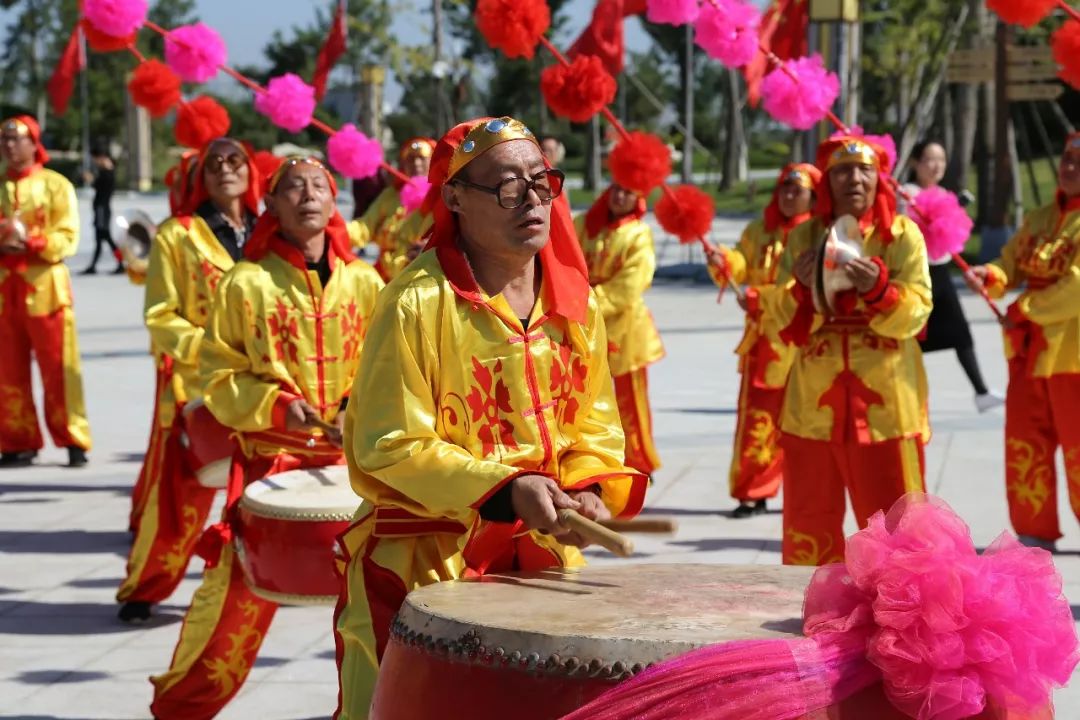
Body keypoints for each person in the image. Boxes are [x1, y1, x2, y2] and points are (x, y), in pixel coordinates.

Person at [333, 116, 647, 718]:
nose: (531, 200)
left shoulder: (576, 305)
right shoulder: (416, 301)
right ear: (454, 198)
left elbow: (596, 424)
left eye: (541, 183)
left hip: (540, 560)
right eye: (507, 187)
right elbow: (389, 444)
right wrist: (504, 490)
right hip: (424, 570)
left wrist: (584, 488)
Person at [149, 156, 384, 719]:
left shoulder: (366, 282)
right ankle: (181, 708)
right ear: (272, 205)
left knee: (373, 609)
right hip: (272, 459)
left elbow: (388, 366)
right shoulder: (245, 282)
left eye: (319, 186)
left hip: (352, 466)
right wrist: (278, 405)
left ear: (336, 203)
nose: (307, 195)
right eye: (292, 187)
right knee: (232, 600)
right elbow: (220, 375)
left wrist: (360, 403)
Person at [765, 135, 932, 566]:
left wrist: (879, 290)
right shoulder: (803, 235)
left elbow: (917, 313)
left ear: (881, 178)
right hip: (812, 406)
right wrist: (800, 287)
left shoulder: (902, 235)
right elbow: (777, 319)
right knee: (808, 518)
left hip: (886, 405)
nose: (854, 179)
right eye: (841, 170)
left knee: (896, 524)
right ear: (827, 181)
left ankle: (900, 616)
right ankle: (812, 610)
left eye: (865, 170)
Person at [117, 138, 263, 624]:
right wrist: (210, 350)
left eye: (234, 161)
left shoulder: (269, 231)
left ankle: (271, 572)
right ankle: (147, 584)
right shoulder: (177, 236)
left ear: (250, 172)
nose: (225, 170)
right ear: (201, 175)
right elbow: (161, 314)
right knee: (180, 492)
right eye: (214, 163)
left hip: (260, 383)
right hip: (196, 383)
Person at [968, 132, 1080, 552]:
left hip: (1072, 353)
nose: (1069, 168)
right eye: (1066, 159)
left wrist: (1025, 308)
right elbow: (1010, 262)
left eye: (1078, 162)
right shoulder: (1037, 219)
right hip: (1028, 353)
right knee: (1025, 440)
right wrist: (991, 277)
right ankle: (1034, 529)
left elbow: (1075, 285)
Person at [707, 164, 819, 517]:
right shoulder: (760, 229)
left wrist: (759, 298)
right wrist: (724, 260)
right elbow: (740, 260)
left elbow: (798, 292)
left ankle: (805, 492)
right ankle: (752, 492)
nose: (787, 195)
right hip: (763, 346)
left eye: (796, 190)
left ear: (812, 197)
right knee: (756, 421)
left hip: (804, 344)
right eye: (783, 188)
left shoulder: (816, 236)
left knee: (804, 424)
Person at [0, 115, 91, 468]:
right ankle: (16, 440)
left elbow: (67, 238)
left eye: (16, 139)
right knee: (7, 370)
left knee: (60, 368)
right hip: (5, 290)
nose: (9, 146)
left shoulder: (55, 185)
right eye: (4, 140)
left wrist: (32, 241)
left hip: (45, 289)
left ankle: (73, 438)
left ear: (32, 144)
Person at [902, 140, 1003, 413]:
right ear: (915, 163)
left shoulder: (943, 193)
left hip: (941, 270)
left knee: (959, 331)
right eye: (929, 160)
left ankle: (981, 391)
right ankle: (908, 393)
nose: (936, 166)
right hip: (915, 274)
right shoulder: (906, 194)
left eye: (941, 160)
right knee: (911, 336)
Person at [574, 182, 664, 476]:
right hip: (582, 324)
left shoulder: (639, 233)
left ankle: (639, 465)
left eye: (628, 191)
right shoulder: (584, 225)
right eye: (616, 189)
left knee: (631, 404)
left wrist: (586, 301)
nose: (620, 196)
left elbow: (631, 284)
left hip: (624, 328)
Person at [348, 137, 436, 281]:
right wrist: (338, 230)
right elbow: (365, 226)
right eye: (410, 159)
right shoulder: (391, 195)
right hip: (384, 277)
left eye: (422, 158)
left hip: (423, 276)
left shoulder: (441, 196)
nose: (416, 163)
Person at [80, 143, 123, 275]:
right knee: (100, 239)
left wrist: (91, 180)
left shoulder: (107, 173)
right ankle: (94, 265)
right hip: (101, 209)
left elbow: (100, 188)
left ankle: (120, 263)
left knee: (105, 238)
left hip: (102, 210)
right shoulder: (105, 171)